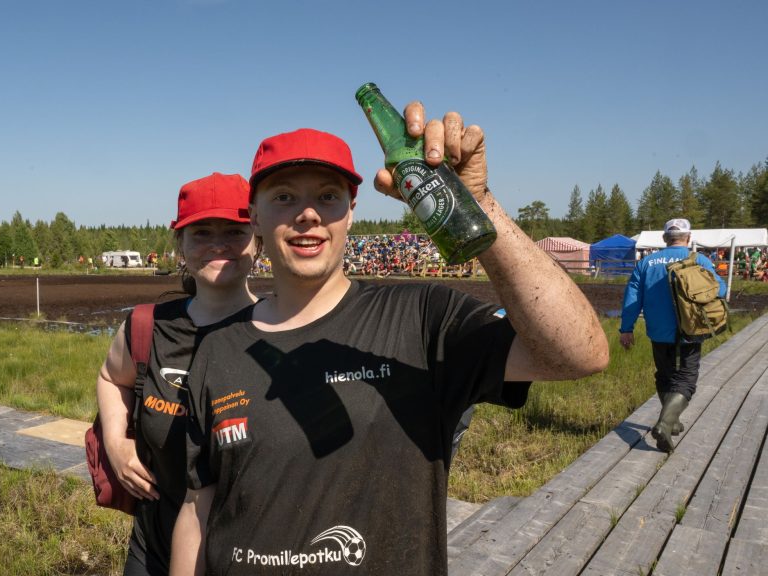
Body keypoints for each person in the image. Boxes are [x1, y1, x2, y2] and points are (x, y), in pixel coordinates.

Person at [171, 110, 609, 575]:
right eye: (283, 197)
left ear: (351, 211)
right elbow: (199, 507)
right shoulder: (218, 348)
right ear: (255, 216)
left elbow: (579, 353)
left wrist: (477, 205)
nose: (308, 214)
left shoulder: (420, 318)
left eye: (327, 196)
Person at [95, 172, 259, 576]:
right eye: (201, 232)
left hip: (250, 555)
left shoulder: (281, 332)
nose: (218, 244)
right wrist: (116, 444)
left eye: (234, 231)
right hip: (153, 546)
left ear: (259, 237)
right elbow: (110, 378)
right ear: (180, 245)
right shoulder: (146, 327)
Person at [619, 218, 726, 453]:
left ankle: (672, 421)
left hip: (658, 332)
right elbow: (721, 289)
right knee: (685, 380)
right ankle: (666, 424)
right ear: (688, 238)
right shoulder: (698, 260)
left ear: (665, 238)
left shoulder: (646, 263)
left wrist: (626, 329)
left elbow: (632, 299)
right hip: (690, 330)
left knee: (665, 376)